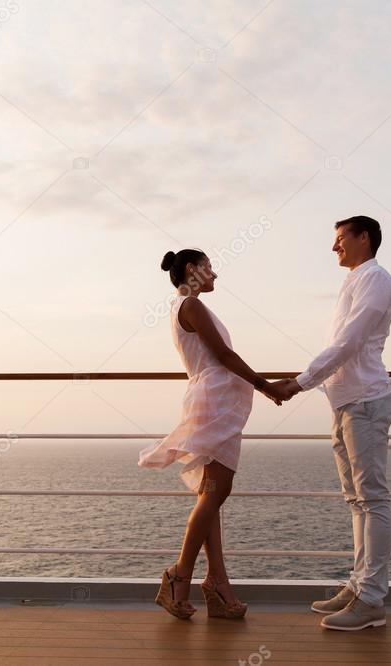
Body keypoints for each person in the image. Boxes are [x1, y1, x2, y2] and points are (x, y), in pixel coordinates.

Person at [139, 249, 288, 620]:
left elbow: (216, 356)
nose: (215, 275)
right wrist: (266, 386)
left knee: (212, 493)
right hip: (215, 401)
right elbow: (222, 355)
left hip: (215, 400)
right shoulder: (190, 306)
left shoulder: (186, 307)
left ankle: (217, 584)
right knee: (217, 491)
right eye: (209, 267)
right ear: (192, 269)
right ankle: (179, 575)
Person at [273, 215, 391, 631]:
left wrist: (299, 382)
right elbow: (341, 346)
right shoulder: (354, 282)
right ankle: (360, 585)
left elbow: (349, 343)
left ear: (364, 238)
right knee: (356, 500)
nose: (334, 247)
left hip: (365, 401)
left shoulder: (377, 280)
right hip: (345, 403)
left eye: (340, 238)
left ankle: (372, 601)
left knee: (372, 499)